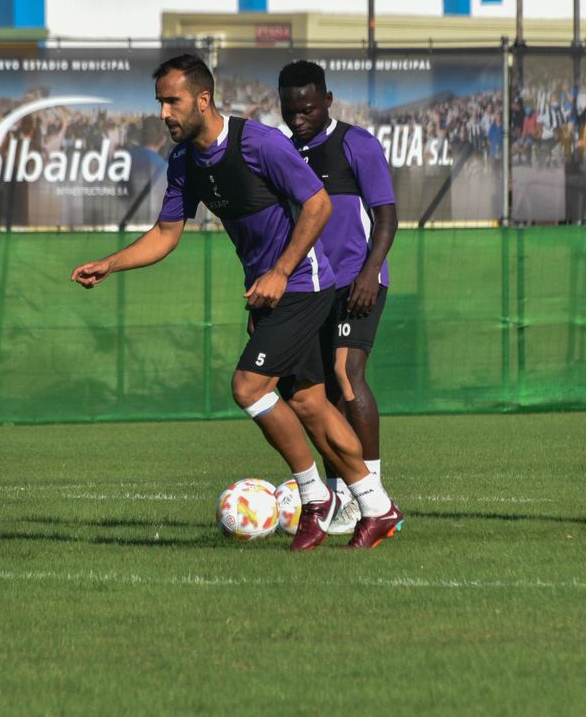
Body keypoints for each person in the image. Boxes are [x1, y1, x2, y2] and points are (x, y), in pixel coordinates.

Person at [71, 54, 403, 550]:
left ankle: (315, 499)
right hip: (269, 292)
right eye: (159, 101)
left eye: (172, 101)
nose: (163, 112)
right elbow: (166, 233)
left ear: (202, 100)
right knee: (310, 401)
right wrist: (110, 264)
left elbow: (319, 205)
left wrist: (279, 272)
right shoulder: (184, 160)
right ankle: (377, 507)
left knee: (249, 387)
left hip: (304, 284)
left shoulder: (259, 143)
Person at [278, 60, 398, 535]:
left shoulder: (356, 144)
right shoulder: (285, 154)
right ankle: (341, 494)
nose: (299, 117)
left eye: (307, 108)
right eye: (290, 109)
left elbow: (386, 217)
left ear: (327, 100)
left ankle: (375, 495)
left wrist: (370, 272)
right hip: (310, 288)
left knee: (346, 377)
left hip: (356, 280)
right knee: (319, 394)